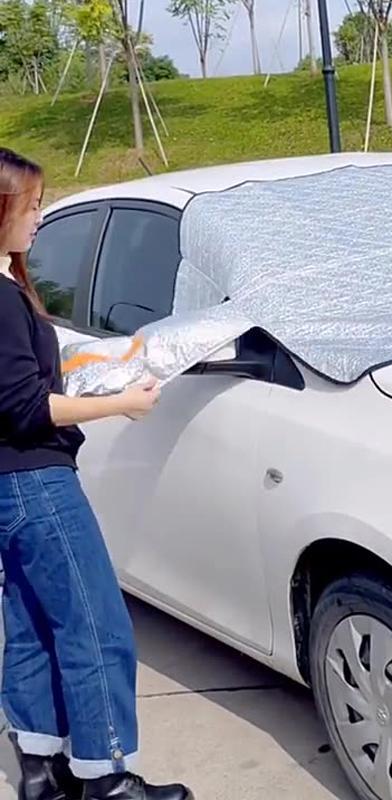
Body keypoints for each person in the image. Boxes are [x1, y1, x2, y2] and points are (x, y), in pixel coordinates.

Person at [0, 147, 193, 800]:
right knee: (95, 627)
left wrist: (82, 375)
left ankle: (40, 770)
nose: (39, 216)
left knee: (30, 628)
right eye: (31, 205)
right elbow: (26, 408)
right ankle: (106, 778)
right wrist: (123, 402)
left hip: (9, 486)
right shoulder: (1, 300)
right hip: (38, 485)